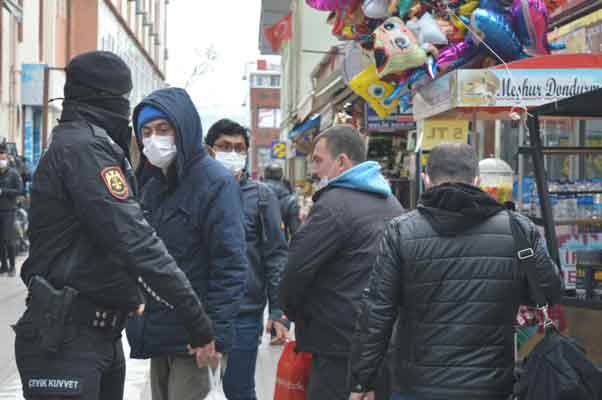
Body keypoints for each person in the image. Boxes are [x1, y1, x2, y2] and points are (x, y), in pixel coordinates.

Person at [13, 51, 216, 400]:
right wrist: (195, 318)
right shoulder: (84, 149)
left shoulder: (91, 144)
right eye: (124, 99)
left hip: (95, 336)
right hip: (67, 339)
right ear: (109, 98)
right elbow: (134, 240)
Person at [348, 143, 563, 400]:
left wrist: (363, 380)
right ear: (477, 180)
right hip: (491, 386)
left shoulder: (401, 231)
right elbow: (549, 290)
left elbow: (376, 313)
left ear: (426, 180)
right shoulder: (517, 228)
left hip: (417, 386)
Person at [126, 91, 248, 400]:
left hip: (198, 339)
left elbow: (230, 264)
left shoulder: (215, 182)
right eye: (146, 132)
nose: (154, 139)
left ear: (184, 128)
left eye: (163, 129)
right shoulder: (151, 183)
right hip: (159, 332)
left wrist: (215, 335)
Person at [279, 125, 404, 400]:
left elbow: (295, 272)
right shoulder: (392, 202)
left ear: (342, 162)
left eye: (318, 160)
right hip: (382, 343)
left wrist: (295, 314)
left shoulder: (333, 205)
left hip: (338, 345)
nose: (313, 170)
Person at [205, 118, 289, 400]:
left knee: (238, 389)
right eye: (224, 146)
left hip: (244, 313)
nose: (232, 153)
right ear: (209, 150)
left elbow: (276, 256)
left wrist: (278, 311)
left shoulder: (262, 197)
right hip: (199, 312)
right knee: (197, 389)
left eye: (239, 148)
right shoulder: (195, 191)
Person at [0, 145, 22, 276]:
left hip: (9, 211)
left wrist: (4, 191)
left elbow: (19, 191)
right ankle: (3, 265)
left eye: (2, 155)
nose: (1, 157)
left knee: (9, 239)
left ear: (7, 156)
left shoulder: (13, 173)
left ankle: (12, 266)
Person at [263, 163, 301, 240]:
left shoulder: (255, 193)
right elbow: (295, 231)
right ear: (281, 177)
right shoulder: (290, 200)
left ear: (264, 176)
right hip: (280, 243)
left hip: (256, 246)